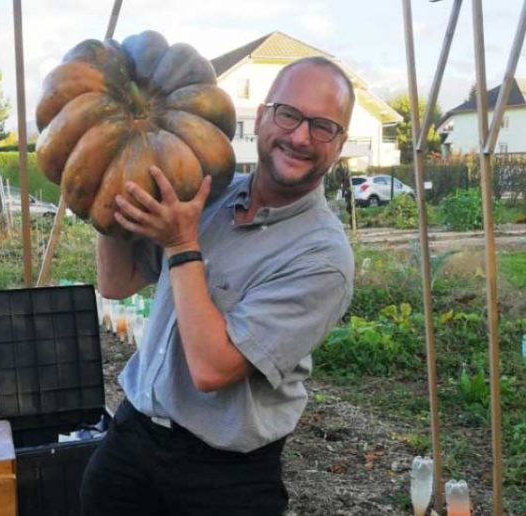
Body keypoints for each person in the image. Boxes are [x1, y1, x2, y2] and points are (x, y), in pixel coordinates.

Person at [81, 55, 356, 515]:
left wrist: (182, 243)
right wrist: (107, 192)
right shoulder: (207, 190)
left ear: (340, 143)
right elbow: (116, 283)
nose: (300, 136)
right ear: (263, 116)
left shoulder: (323, 258)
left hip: (224, 479)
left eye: (323, 126)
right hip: (131, 443)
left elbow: (211, 370)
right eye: (288, 114)